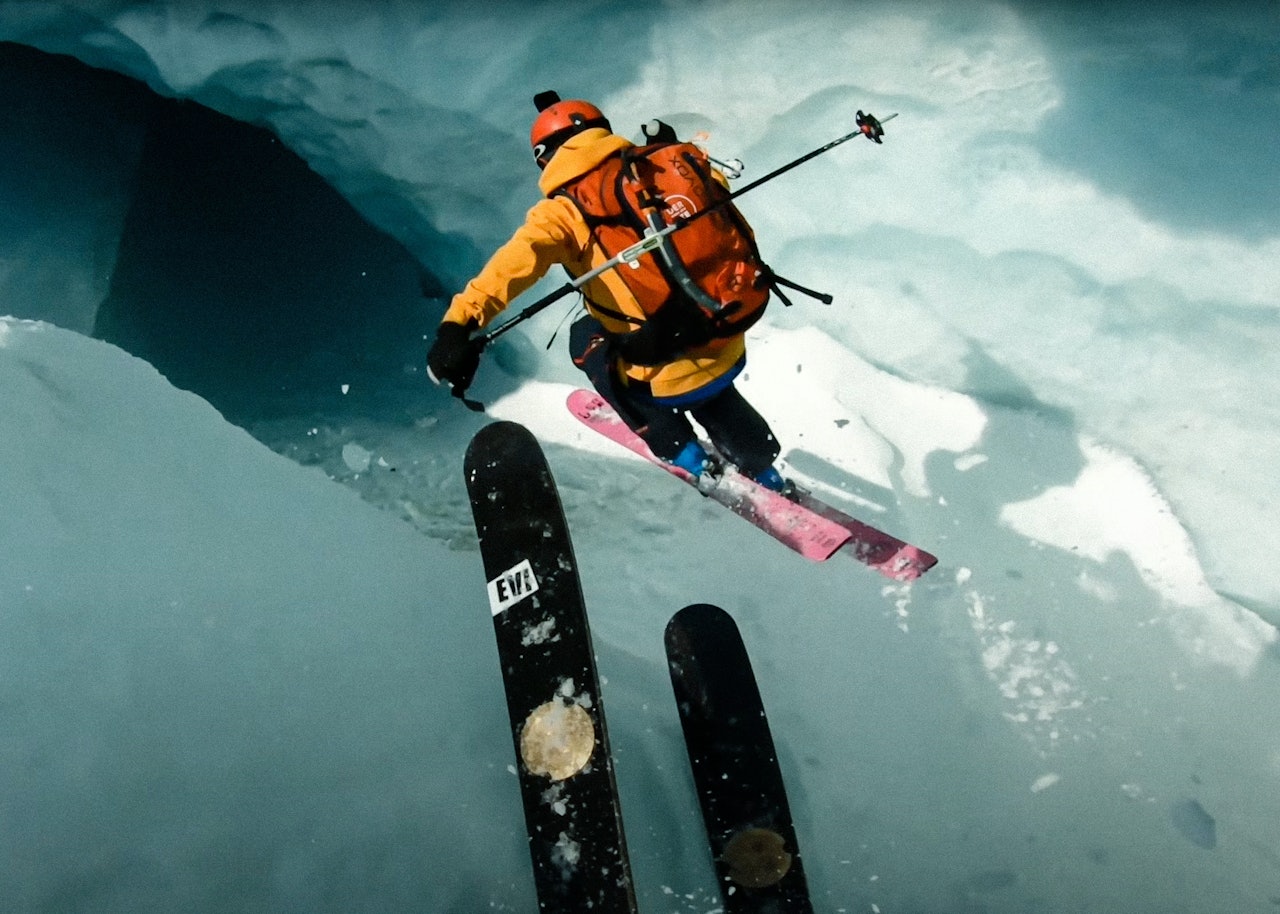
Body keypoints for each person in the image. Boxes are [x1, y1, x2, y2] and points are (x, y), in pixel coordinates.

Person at [427, 92, 789, 492]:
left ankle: (687, 455)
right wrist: (666, 155)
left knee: (586, 339)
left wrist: (458, 324)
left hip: (663, 369)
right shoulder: (667, 166)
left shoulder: (563, 211)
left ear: (545, 158)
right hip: (726, 334)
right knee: (713, 392)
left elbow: (513, 265)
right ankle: (763, 467)